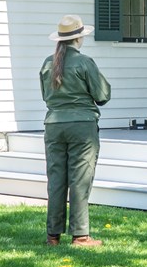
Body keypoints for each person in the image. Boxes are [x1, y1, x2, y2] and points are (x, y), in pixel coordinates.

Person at [39, 15, 111, 247]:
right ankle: (80, 235)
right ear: (79, 38)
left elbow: (46, 96)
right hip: (82, 126)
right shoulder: (84, 62)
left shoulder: (48, 63)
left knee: (56, 180)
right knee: (79, 180)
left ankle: (53, 236)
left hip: (54, 125)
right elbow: (102, 95)